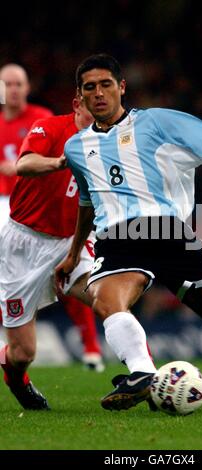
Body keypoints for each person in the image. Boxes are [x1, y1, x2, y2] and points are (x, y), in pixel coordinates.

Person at [55, 53, 202, 412]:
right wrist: (75, 253)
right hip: (118, 237)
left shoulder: (156, 122)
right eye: (90, 87)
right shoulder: (75, 148)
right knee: (109, 301)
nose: (99, 93)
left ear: (121, 87)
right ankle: (142, 372)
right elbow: (88, 202)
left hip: (169, 231)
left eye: (106, 84)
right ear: (80, 95)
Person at [0, 96, 105, 411]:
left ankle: (147, 376)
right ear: (76, 104)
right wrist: (60, 162)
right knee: (22, 353)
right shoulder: (48, 127)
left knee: (108, 298)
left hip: (70, 241)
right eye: (91, 103)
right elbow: (24, 164)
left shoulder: (111, 142)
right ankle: (17, 380)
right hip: (22, 243)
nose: (100, 110)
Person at [0, 63, 52, 230]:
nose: (14, 89)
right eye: (8, 84)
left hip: (35, 201)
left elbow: (54, 158)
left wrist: (20, 165)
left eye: (19, 84)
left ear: (27, 88)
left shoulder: (43, 119)